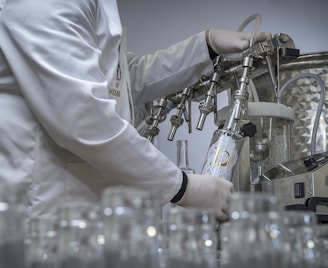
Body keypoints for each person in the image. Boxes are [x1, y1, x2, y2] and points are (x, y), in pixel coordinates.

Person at [0, 0, 270, 221]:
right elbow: (82, 117)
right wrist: (184, 187)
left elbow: (121, 80)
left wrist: (205, 47)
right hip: (43, 213)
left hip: (78, 211)